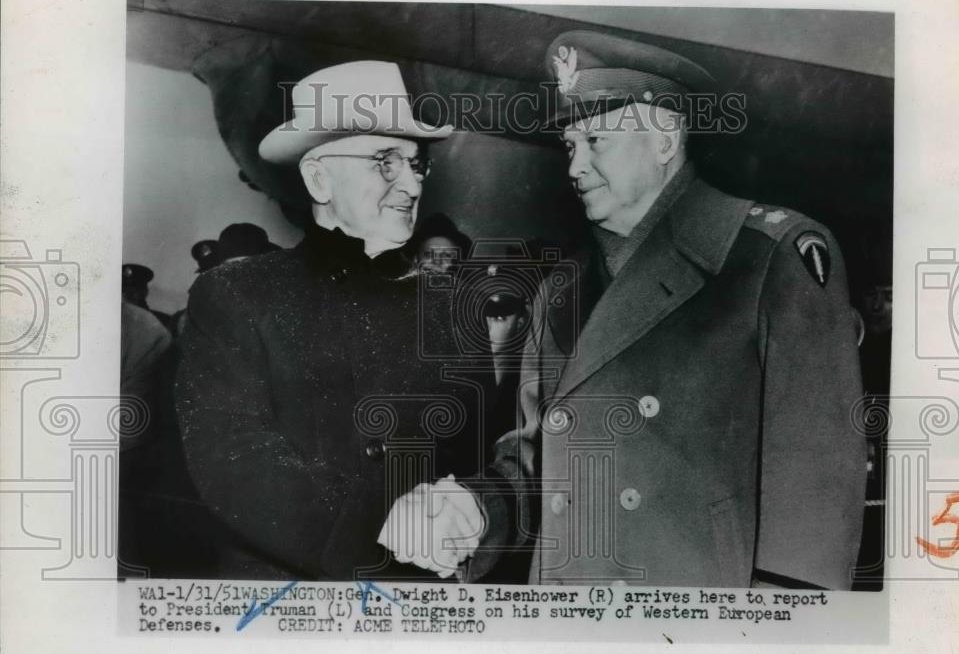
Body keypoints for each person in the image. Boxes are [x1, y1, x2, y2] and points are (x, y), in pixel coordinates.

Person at [385, 30, 868, 589]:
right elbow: (536, 466)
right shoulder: (560, 290)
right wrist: (474, 510)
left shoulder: (767, 257)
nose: (574, 167)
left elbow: (816, 491)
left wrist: (766, 653)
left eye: (595, 140)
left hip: (697, 631)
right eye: (569, 145)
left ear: (664, 138)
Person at [174, 60, 497, 581]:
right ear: (318, 178)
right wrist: (382, 529)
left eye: (417, 164)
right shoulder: (237, 295)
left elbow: (476, 456)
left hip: (421, 590)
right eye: (384, 162)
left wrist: (456, 525)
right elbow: (231, 458)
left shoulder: (456, 308)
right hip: (289, 601)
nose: (411, 186)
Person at [122, 264, 171, 329]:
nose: (135, 295)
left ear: (145, 291)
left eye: (137, 290)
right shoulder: (110, 319)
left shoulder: (164, 322)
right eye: (127, 291)